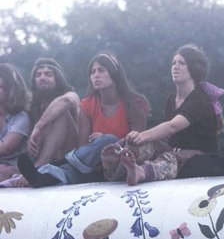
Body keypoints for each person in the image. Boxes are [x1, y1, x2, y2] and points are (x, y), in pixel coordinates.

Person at [16, 52, 149, 187]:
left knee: (108, 140)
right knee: (74, 171)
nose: (95, 75)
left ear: (115, 74)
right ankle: (43, 178)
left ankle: (47, 167)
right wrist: (94, 147)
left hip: (120, 163)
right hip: (92, 164)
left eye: (101, 70)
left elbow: (137, 146)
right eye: (92, 72)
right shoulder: (88, 104)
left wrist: (107, 143)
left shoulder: (135, 103)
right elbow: (82, 147)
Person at [103, 44, 224, 185]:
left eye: (182, 63)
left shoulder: (200, 99)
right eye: (173, 63)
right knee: (141, 143)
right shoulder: (171, 99)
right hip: (172, 148)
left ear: (194, 69)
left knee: (170, 157)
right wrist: (134, 141)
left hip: (198, 154)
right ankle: (119, 161)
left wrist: (143, 135)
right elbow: (166, 137)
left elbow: (173, 126)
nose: (175, 66)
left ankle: (140, 172)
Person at [26, 58, 81, 166]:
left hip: (68, 157)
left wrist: (38, 127)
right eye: (38, 75)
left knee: (62, 113)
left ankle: (39, 167)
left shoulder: (70, 95)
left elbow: (66, 100)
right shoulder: (33, 106)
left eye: (48, 74)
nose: (42, 78)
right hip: (40, 155)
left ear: (58, 78)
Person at [0, 64, 31, 181]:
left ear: (10, 90)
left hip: (13, 166)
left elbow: (6, 147)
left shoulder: (20, 117)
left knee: (3, 171)